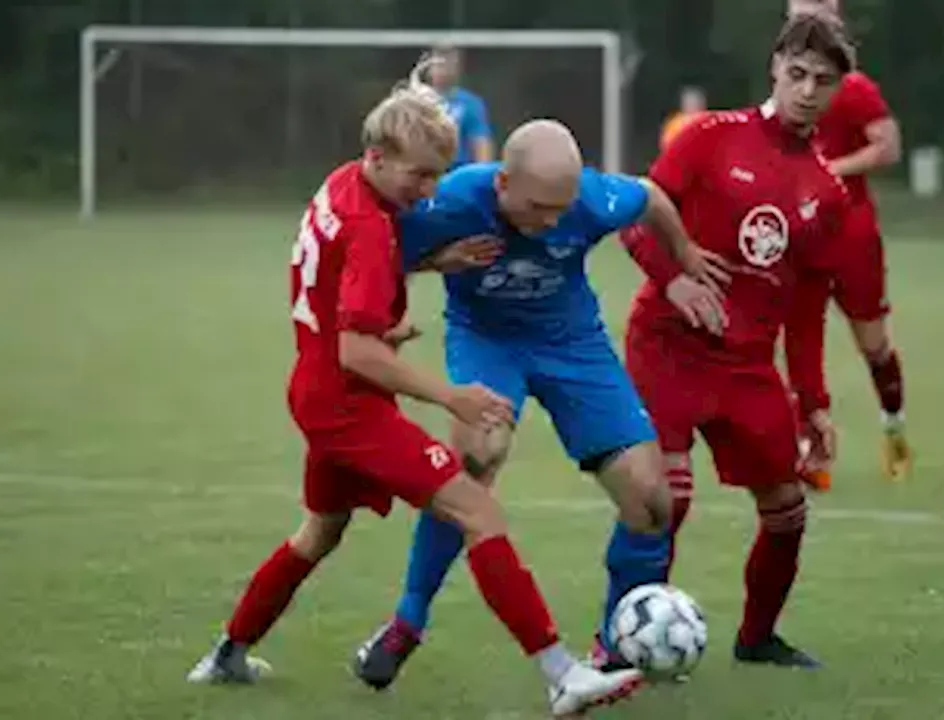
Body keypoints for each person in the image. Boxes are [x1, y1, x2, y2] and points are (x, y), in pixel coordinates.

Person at [183, 62, 644, 718]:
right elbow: (358, 350)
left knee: (319, 532)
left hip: (316, 391)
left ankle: (226, 653)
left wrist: (432, 262)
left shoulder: (343, 186)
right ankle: (563, 674)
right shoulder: (373, 227)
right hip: (346, 404)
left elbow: (346, 289)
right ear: (378, 156)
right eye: (420, 176)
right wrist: (450, 396)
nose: (429, 194)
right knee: (477, 510)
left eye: (437, 177)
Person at [349, 117, 729, 691]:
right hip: (487, 341)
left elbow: (651, 197)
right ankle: (407, 621)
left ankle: (616, 648)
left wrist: (683, 258)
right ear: (502, 184)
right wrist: (437, 263)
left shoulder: (593, 199)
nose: (553, 221)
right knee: (477, 458)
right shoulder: (449, 201)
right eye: (539, 208)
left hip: (573, 343)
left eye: (562, 208)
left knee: (652, 498)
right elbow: (382, 253)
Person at [609, 11, 855, 671]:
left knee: (788, 510)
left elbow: (808, 311)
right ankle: (617, 644)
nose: (806, 89)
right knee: (667, 496)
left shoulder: (827, 193)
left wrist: (816, 402)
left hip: (746, 365)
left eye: (822, 81)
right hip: (669, 345)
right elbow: (632, 219)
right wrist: (675, 279)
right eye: (797, 73)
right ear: (775, 65)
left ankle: (757, 639)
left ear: (837, 90)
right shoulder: (709, 138)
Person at [785, 0, 911, 485]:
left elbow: (888, 145)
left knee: (873, 345)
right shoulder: (784, 88)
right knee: (801, 345)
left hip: (852, 234)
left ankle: (894, 427)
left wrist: (829, 172)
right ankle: (813, 456)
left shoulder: (855, 89)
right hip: (802, 235)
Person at [428, 43, 495, 167]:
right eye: (439, 65)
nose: (444, 71)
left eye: (449, 65)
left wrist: (481, 175)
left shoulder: (470, 104)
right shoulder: (418, 101)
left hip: (458, 170)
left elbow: (481, 144)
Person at [660, 85, 708, 151]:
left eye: (696, 102)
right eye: (690, 102)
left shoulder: (710, 120)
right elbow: (667, 145)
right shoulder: (675, 123)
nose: (693, 105)